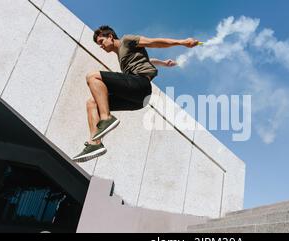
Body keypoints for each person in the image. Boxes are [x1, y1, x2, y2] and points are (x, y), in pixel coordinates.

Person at [72, 25, 199, 163]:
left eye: (101, 41)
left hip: (141, 86)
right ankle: (95, 143)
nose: (101, 46)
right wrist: (162, 63)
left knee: (92, 76)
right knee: (91, 103)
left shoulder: (127, 40)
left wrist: (182, 42)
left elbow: (154, 42)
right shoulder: (122, 56)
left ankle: (106, 117)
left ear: (110, 37)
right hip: (137, 100)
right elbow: (146, 61)